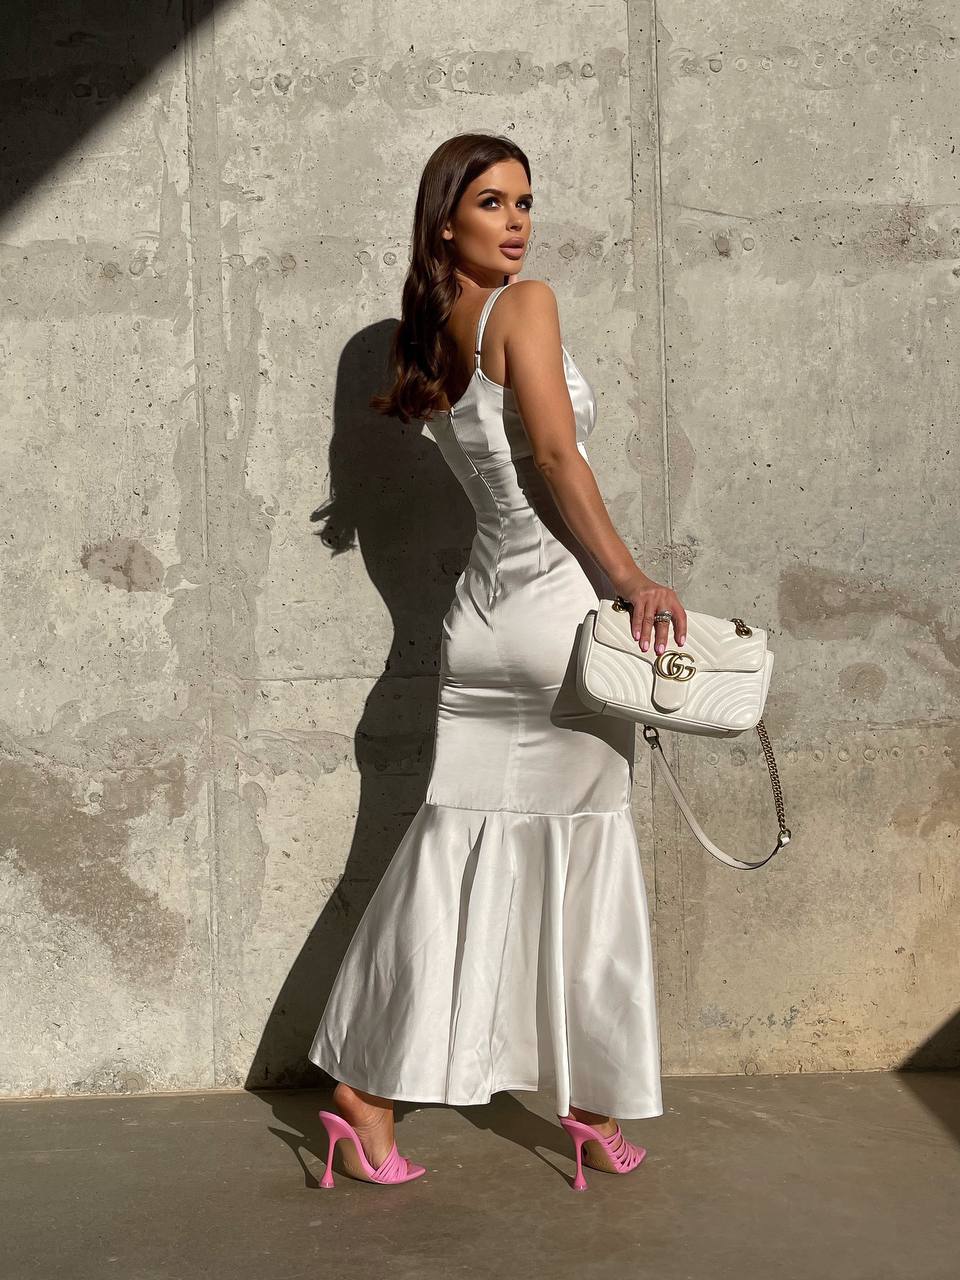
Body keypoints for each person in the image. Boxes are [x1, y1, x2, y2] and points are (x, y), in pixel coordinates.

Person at [309, 132, 687, 1191]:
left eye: (525, 199)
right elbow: (558, 459)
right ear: (447, 222)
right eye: (491, 201)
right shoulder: (527, 306)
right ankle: (590, 1101)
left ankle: (368, 1095)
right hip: (556, 615)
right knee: (581, 856)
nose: (517, 219)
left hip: (480, 619)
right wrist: (630, 580)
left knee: (459, 851)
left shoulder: (432, 336)